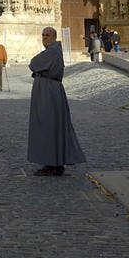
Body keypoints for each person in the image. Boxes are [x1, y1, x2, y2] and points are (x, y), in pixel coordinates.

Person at [27, 26, 86, 175]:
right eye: (43, 35)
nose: (44, 38)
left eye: (47, 35)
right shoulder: (53, 51)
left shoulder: (52, 51)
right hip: (49, 90)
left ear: (54, 37)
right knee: (50, 126)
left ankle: (53, 163)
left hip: (49, 92)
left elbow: (33, 64)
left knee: (48, 125)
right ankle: (52, 161)